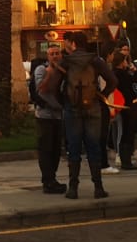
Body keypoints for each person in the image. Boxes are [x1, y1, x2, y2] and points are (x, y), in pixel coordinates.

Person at [47, 30, 116, 199]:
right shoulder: (96, 60)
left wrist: (64, 102)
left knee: (74, 148)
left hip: (72, 109)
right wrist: (103, 95)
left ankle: (73, 188)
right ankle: (98, 187)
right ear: (87, 43)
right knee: (94, 147)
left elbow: (54, 86)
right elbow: (113, 80)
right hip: (93, 107)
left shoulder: (67, 61)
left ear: (74, 44)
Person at [28, 42, 67, 194]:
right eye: (52, 54)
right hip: (44, 115)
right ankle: (48, 181)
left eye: (58, 53)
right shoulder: (41, 69)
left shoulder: (64, 71)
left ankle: (52, 179)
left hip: (58, 116)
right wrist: (51, 71)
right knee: (46, 149)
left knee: (56, 149)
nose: (55, 56)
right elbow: (41, 89)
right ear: (47, 56)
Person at [109, 47, 137, 171]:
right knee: (128, 133)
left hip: (122, 106)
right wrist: (135, 70)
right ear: (121, 62)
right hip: (129, 105)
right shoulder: (122, 74)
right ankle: (126, 161)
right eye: (124, 61)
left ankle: (125, 159)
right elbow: (135, 80)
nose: (126, 63)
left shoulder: (113, 73)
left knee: (124, 133)